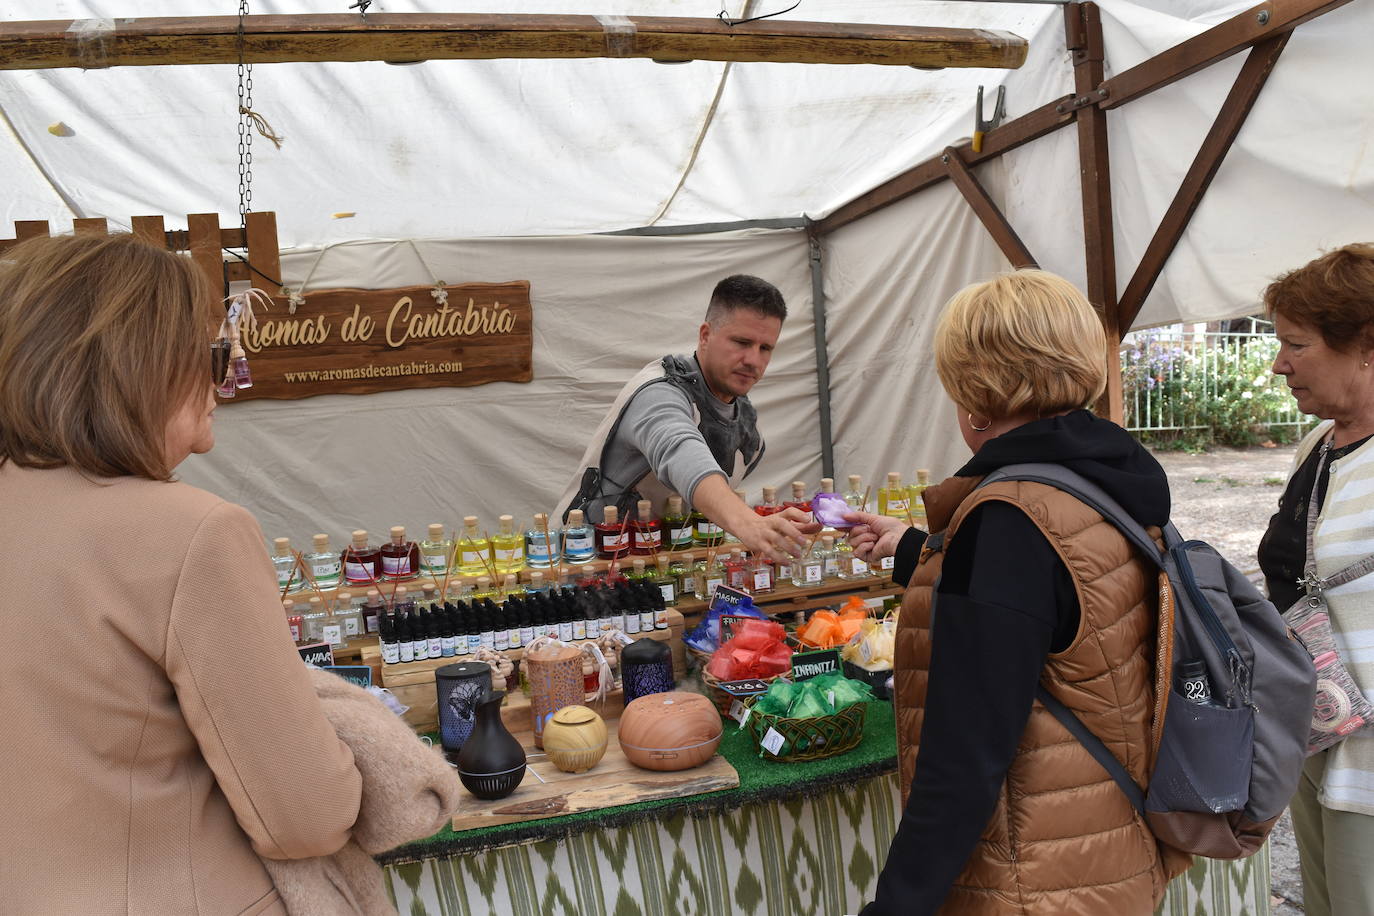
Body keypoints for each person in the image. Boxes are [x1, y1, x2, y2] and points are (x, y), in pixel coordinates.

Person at [0, 233, 362, 914]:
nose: (226, 376)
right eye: (216, 353)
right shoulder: (191, 532)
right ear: (142, 363)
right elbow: (306, 813)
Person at [848, 270, 1190, 914]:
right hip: (1107, 849)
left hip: (1034, 877)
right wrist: (910, 548)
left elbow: (965, 754)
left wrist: (895, 906)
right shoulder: (1104, 479)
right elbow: (1060, 612)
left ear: (976, 396)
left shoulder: (1008, 518)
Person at [1257, 244, 1374, 916]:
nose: (1279, 365)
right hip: (1322, 735)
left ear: (1365, 343)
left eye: (1296, 345)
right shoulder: (1321, 447)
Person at [554, 274, 808, 561]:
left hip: (666, 571)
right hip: (585, 572)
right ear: (705, 335)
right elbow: (680, 450)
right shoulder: (659, 394)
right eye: (741, 342)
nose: (753, 360)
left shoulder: (746, 421)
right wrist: (747, 521)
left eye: (765, 348)